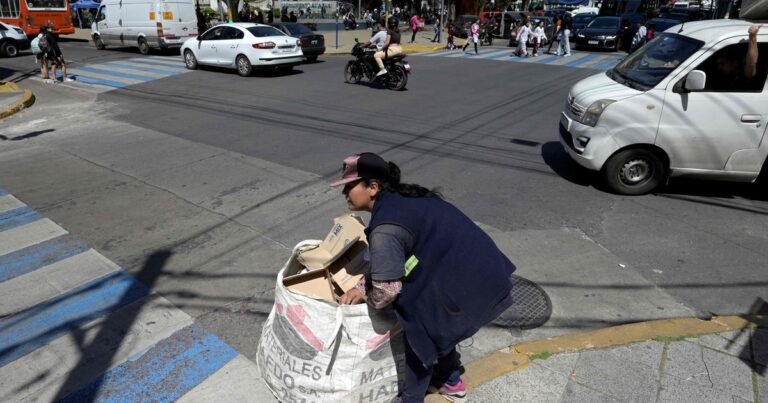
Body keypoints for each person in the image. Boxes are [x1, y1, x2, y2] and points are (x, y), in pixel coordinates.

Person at [333, 152, 515, 403]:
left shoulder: (385, 229)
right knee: (437, 323)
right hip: (479, 268)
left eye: (349, 186)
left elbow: (387, 290)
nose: (344, 193)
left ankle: (411, 398)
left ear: (372, 187)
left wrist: (371, 304)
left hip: (465, 280)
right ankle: (452, 382)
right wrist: (363, 286)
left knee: (418, 332)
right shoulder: (401, 197)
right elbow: (392, 260)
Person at [709, 24, 762, 91]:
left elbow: (751, 64)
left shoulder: (744, 77)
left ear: (735, 63)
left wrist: (752, 36)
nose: (719, 68)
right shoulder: (723, 78)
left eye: (722, 64)